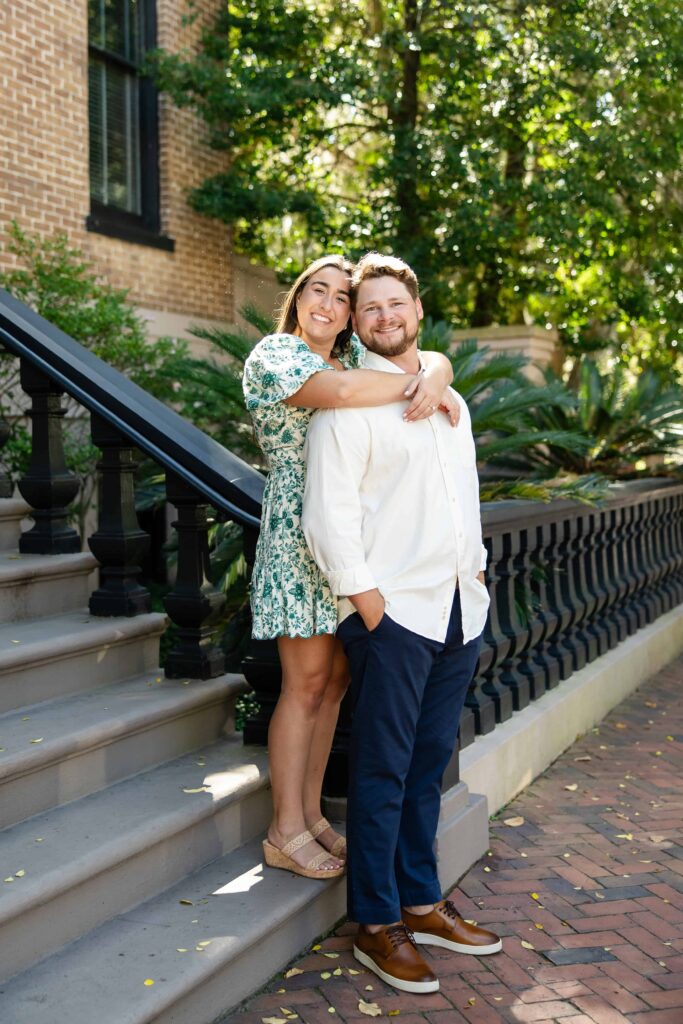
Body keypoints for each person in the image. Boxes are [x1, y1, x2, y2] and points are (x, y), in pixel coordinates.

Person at [302, 252, 502, 992]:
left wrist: (475, 570)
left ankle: (421, 903)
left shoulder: (451, 402)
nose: (384, 317)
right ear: (356, 325)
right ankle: (375, 923)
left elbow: (464, 497)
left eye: (395, 305)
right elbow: (329, 517)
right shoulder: (348, 407)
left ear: (416, 312)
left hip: (457, 609)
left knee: (426, 768)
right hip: (393, 618)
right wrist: (372, 609)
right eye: (369, 309)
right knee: (382, 773)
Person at [242, 254, 458, 880]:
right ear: (298, 296)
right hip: (297, 533)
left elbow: (386, 373)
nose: (329, 305)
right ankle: (283, 830)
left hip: (349, 538)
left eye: (342, 298)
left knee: (335, 682)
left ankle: (310, 817)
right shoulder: (278, 355)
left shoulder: (347, 362)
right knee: (305, 683)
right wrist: (430, 377)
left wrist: (437, 368)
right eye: (318, 290)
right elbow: (338, 396)